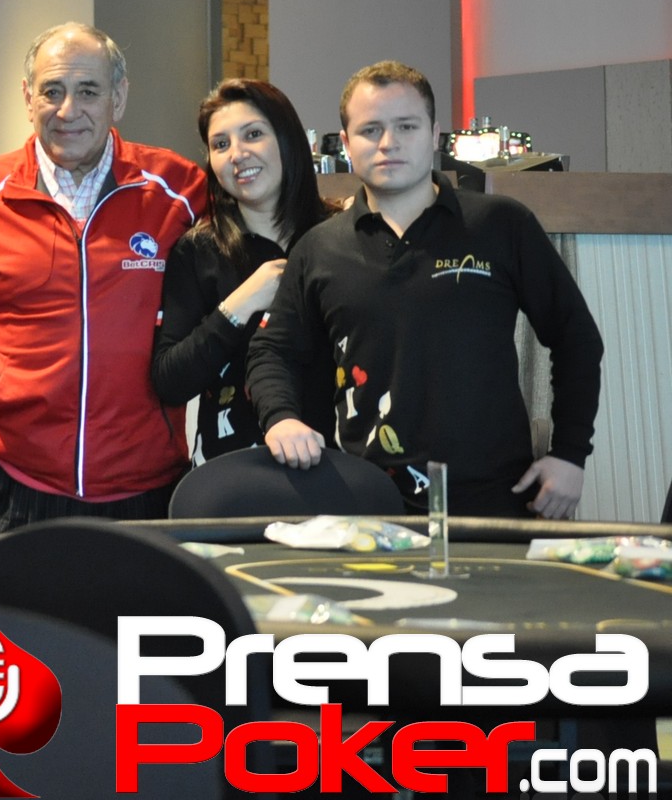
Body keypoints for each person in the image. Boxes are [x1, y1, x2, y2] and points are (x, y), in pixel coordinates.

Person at [245, 60, 604, 517]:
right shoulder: (319, 248)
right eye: (370, 129)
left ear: (433, 135)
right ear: (348, 143)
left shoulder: (501, 224)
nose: (388, 143)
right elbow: (271, 351)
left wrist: (570, 454)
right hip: (367, 502)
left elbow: (576, 337)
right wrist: (280, 419)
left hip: (495, 498)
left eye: (406, 126)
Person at [0, 22, 207, 541]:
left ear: (118, 97)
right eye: (52, 91)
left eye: (88, 91)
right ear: (28, 98)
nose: (68, 110)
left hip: (148, 490)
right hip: (16, 488)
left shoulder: (178, 189)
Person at [152, 79, 337, 460]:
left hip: (339, 465)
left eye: (253, 134)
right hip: (233, 470)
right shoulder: (198, 250)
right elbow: (170, 381)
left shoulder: (339, 236)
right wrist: (240, 304)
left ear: (287, 140)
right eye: (221, 144)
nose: (237, 154)